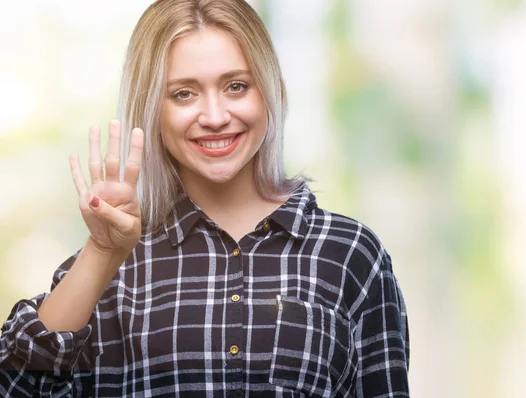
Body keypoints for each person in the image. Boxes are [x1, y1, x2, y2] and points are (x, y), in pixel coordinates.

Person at [0, 0, 410, 396]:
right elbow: (17, 386)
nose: (214, 116)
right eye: (183, 93)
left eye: (236, 86)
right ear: (152, 110)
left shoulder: (350, 254)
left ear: (270, 92)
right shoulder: (111, 263)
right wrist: (101, 253)